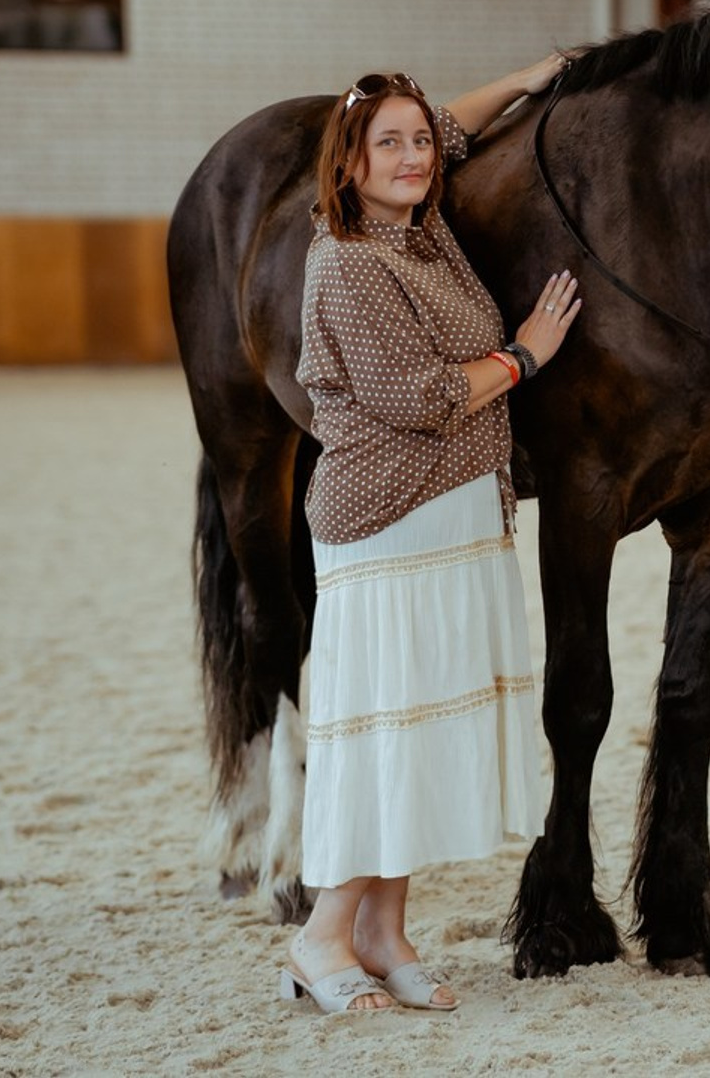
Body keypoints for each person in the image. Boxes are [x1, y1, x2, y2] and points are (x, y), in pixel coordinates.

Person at [281, 56, 580, 1014]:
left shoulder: (421, 231)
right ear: (349, 163)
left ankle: (383, 933)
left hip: (454, 514)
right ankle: (321, 937)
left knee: (421, 726)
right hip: (387, 521)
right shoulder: (348, 260)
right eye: (390, 144)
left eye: (420, 142)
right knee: (384, 730)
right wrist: (525, 354)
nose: (414, 156)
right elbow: (421, 398)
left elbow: (453, 125)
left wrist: (537, 74)